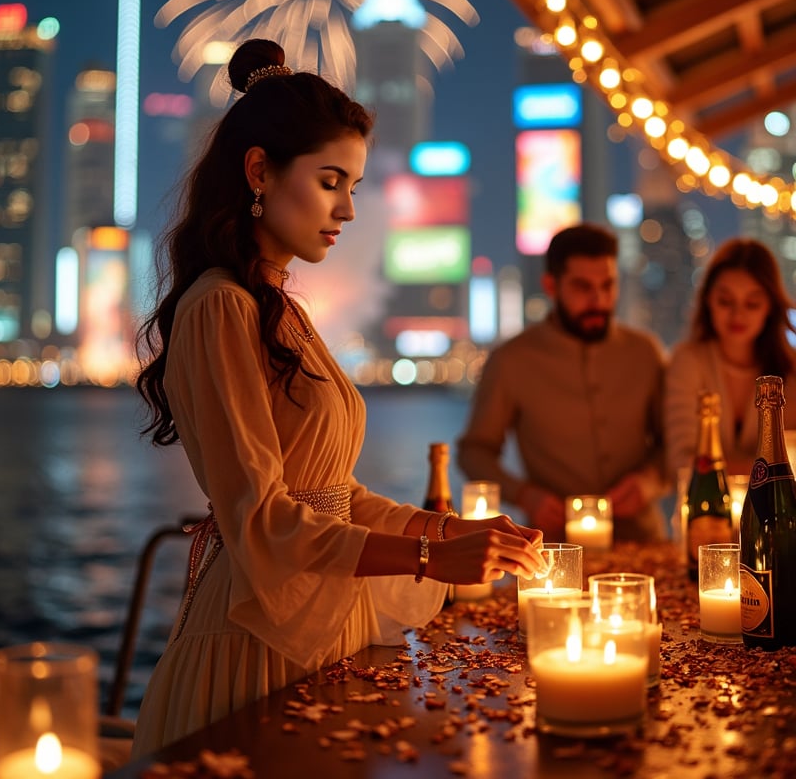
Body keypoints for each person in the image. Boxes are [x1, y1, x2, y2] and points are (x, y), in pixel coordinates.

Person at [130, 39, 546, 754]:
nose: (348, 210)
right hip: (255, 638)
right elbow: (262, 522)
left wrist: (449, 533)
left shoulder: (281, 311)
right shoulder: (219, 308)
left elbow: (332, 495)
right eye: (331, 181)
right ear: (259, 170)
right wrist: (425, 562)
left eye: (352, 185)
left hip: (317, 621)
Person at [456, 222, 668, 543]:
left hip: (644, 542)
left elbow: (676, 443)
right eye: (583, 287)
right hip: (553, 550)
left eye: (608, 286)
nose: (598, 300)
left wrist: (649, 482)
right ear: (551, 286)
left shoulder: (645, 352)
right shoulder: (512, 360)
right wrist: (525, 495)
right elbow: (474, 452)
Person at [665, 237, 796, 477]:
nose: (738, 314)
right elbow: (682, 462)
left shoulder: (791, 371)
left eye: (752, 303)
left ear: (770, 307)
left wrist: (716, 467)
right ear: (708, 301)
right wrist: (766, 472)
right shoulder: (689, 361)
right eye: (726, 301)